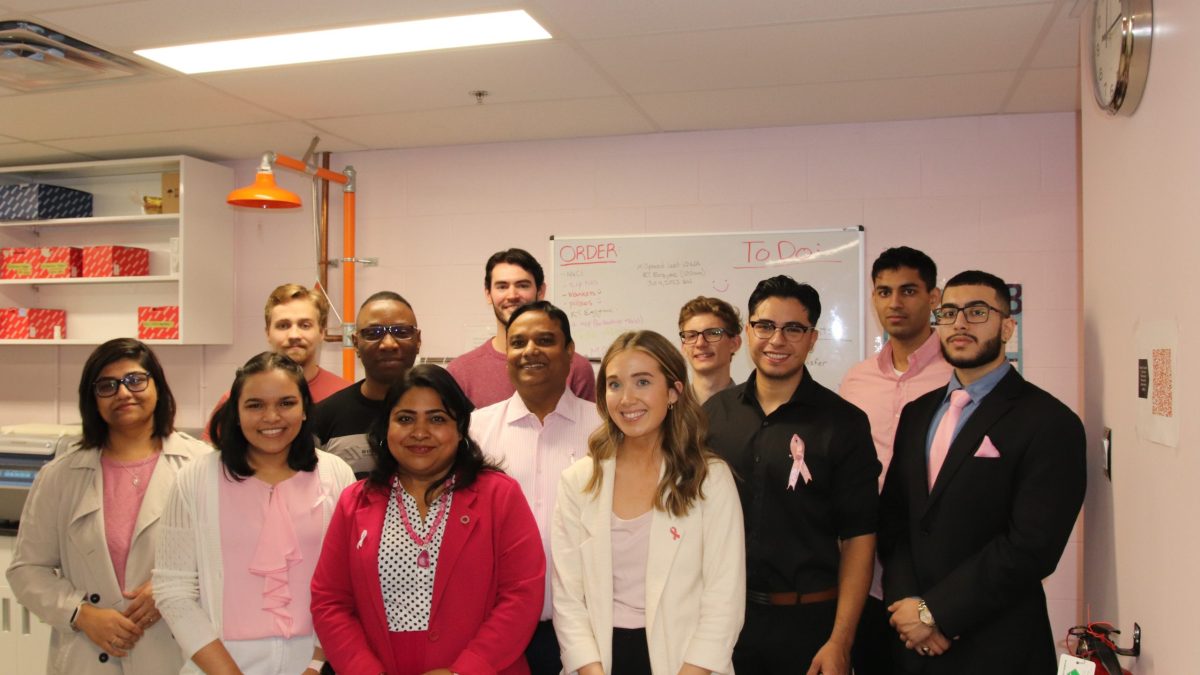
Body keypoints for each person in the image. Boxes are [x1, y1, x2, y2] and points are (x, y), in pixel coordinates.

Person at [879, 270, 1086, 674]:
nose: (959, 323)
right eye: (949, 312)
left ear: (1007, 326)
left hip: (999, 644)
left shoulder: (1048, 421)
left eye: (976, 312)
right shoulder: (918, 413)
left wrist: (935, 613)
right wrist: (910, 609)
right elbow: (896, 522)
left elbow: (1032, 547)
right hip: (915, 649)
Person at [310, 364, 545, 674]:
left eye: (437, 419)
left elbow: (522, 594)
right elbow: (330, 600)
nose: (419, 432)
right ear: (386, 428)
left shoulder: (499, 496)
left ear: (460, 428)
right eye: (405, 419)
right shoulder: (355, 503)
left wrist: (465, 671)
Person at [704, 275, 880, 675]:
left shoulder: (844, 423)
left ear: (812, 338)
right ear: (747, 331)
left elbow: (858, 539)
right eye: (765, 326)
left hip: (810, 627)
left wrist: (840, 641)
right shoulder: (712, 416)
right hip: (724, 622)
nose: (776, 340)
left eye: (793, 328)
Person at [7, 338, 210, 674]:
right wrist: (80, 613)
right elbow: (26, 570)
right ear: (93, 400)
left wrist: (175, 585)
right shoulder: (60, 475)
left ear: (158, 386)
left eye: (135, 380)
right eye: (107, 386)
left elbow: (231, 556)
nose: (123, 393)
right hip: (89, 653)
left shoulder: (201, 465)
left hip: (176, 651)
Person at [552, 330, 745, 675]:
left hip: (687, 663)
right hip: (599, 662)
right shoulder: (579, 481)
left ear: (674, 391)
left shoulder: (709, 479)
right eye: (614, 385)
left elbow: (724, 598)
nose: (626, 399)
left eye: (642, 382)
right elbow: (569, 600)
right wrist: (591, 670)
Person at [154, 352, 355, 675]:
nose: (271, 417)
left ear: (305, 409)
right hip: (218, 663)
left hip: (312, 661)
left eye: (286, 403)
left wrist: (316, 663)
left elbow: (346, 583)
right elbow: (172, 591)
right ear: (235, 412)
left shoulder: (335, 474)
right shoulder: (195, 478)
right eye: (255, 405)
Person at [838, 247, 953, 675]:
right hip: (867, 580)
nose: (894, 303)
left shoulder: (955, 377)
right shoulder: (856, 380)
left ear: (933, 297)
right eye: (883, 291)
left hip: (935, 576)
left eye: (908, 290)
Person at [470, 301, 601, 675]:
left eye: (545, 340)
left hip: (587, 629)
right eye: (519, 342)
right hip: (496, 630)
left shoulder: (605, 430)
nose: (530, 351)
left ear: (570, 352)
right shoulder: (475, 431)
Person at [448, 248, 595, 407]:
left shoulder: (575, 367)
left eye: (523, 285)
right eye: (502, 286)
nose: (512, 295)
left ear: (541, 291)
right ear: (488, 294)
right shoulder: (460, 373)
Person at [204, 284, 351, 439]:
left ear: (321, 332)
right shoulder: (239, 399)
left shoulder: (345, 397)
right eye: (283, 325)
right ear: (268, 333)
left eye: (305, 325)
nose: (294, 334)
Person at [314, 291, 421, 475]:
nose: (388, 344)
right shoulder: (323, 418)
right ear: (355, 343)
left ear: (418, 340)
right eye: (373, 333)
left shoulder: (447, 410)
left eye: (401, 332)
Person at [677, 296, 743, 404]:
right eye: (692, 336)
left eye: (712, 333)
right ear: (683, 347)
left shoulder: (753, 411)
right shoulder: (668, 412)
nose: (700, 343)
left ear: (734, 343)